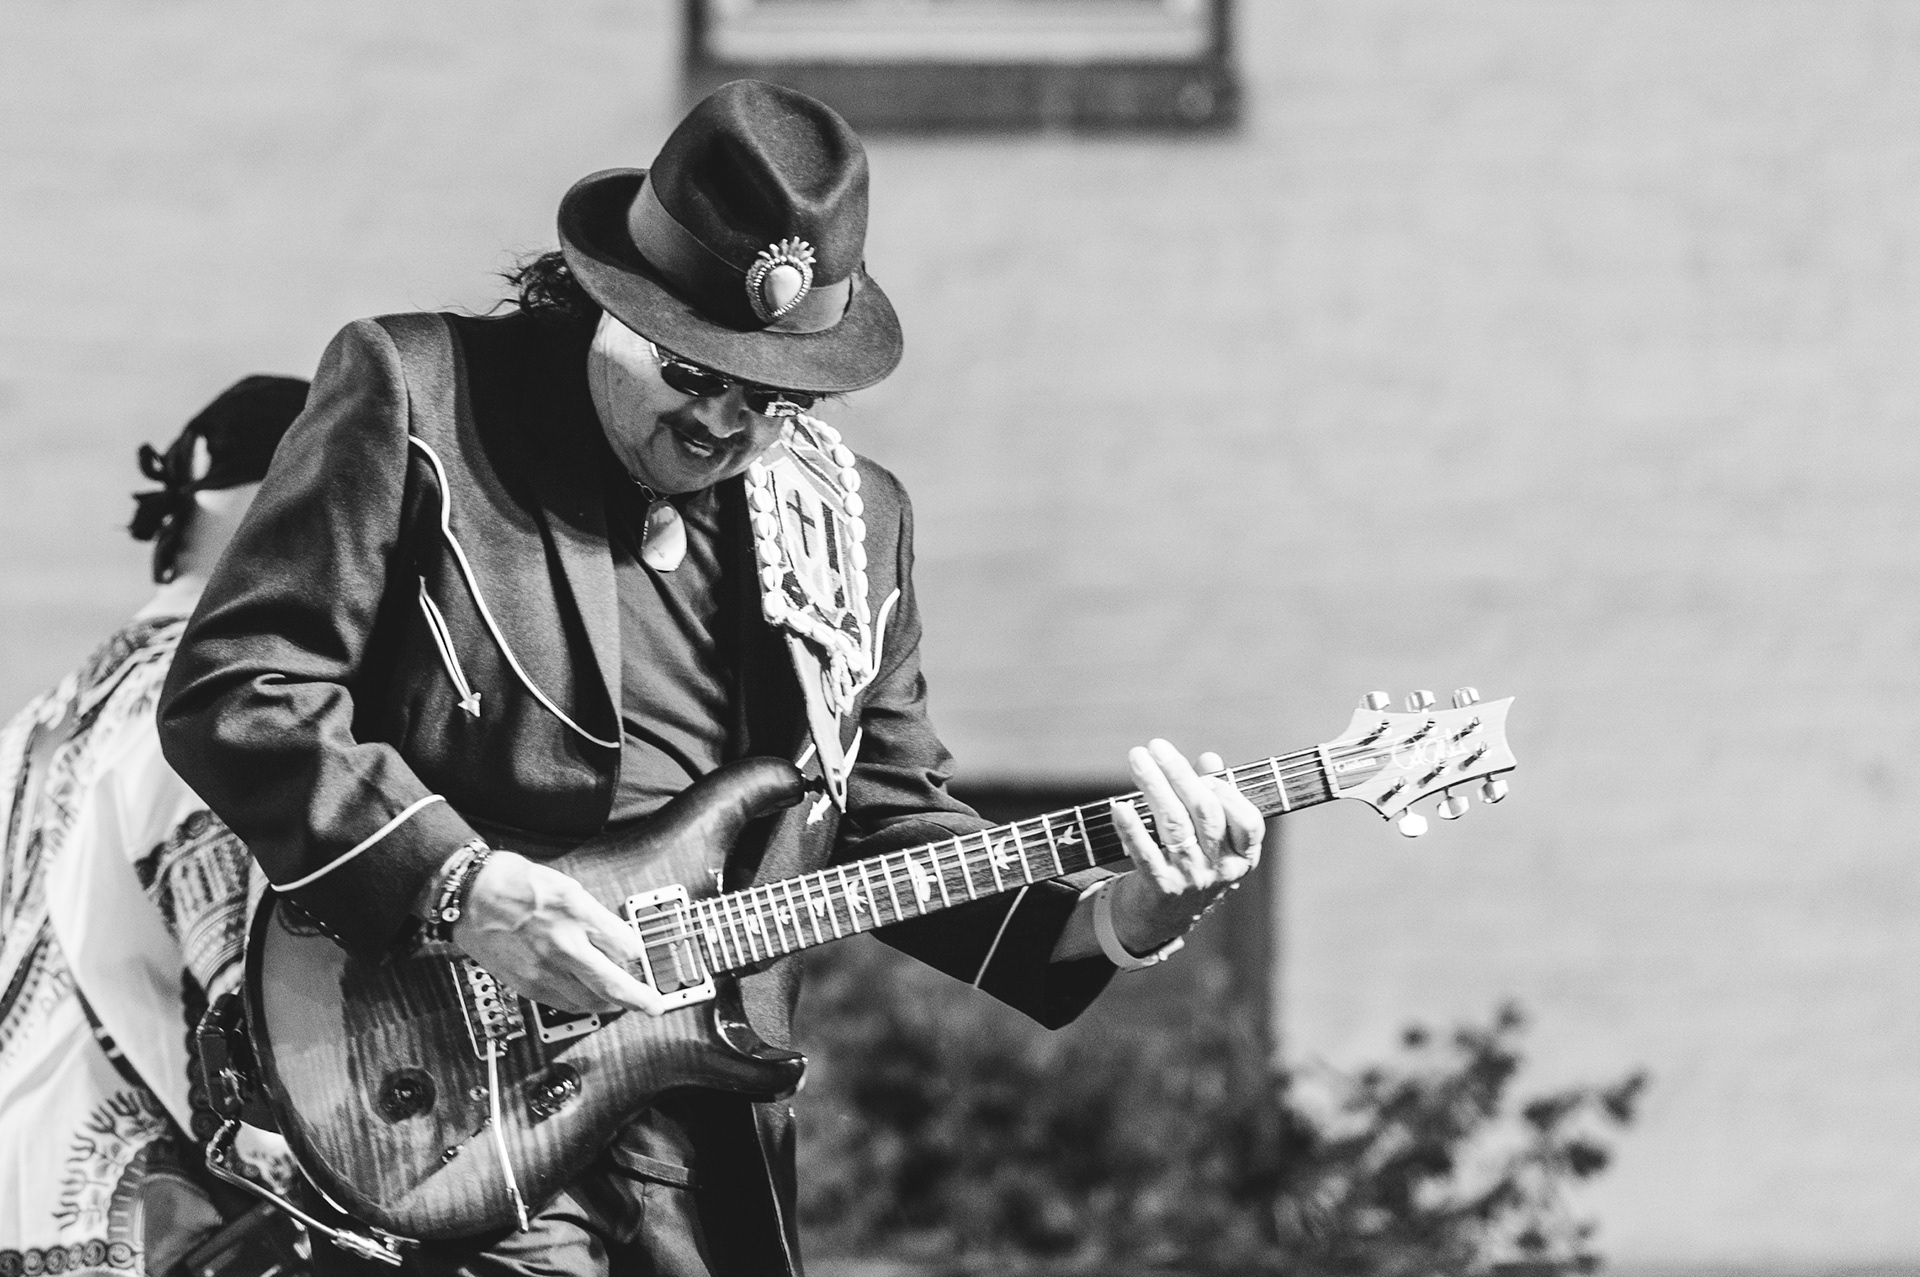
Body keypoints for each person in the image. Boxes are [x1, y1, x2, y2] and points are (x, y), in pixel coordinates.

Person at [157, 81, 1264, 1277]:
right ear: (605, 302)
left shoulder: (856, 523)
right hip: (416, 1072)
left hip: (699, 1147)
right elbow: (240, 685)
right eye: (691, 373)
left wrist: (1123, 917)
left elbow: (893, 826)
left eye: (777, 398)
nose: (726, 423)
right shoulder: (424, 394)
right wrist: (463, 886)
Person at [0, 376, 309, 1275]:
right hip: (159, 1216)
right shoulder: (219, 703)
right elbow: (252, 997)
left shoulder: (39, 721)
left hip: (31, 1193)